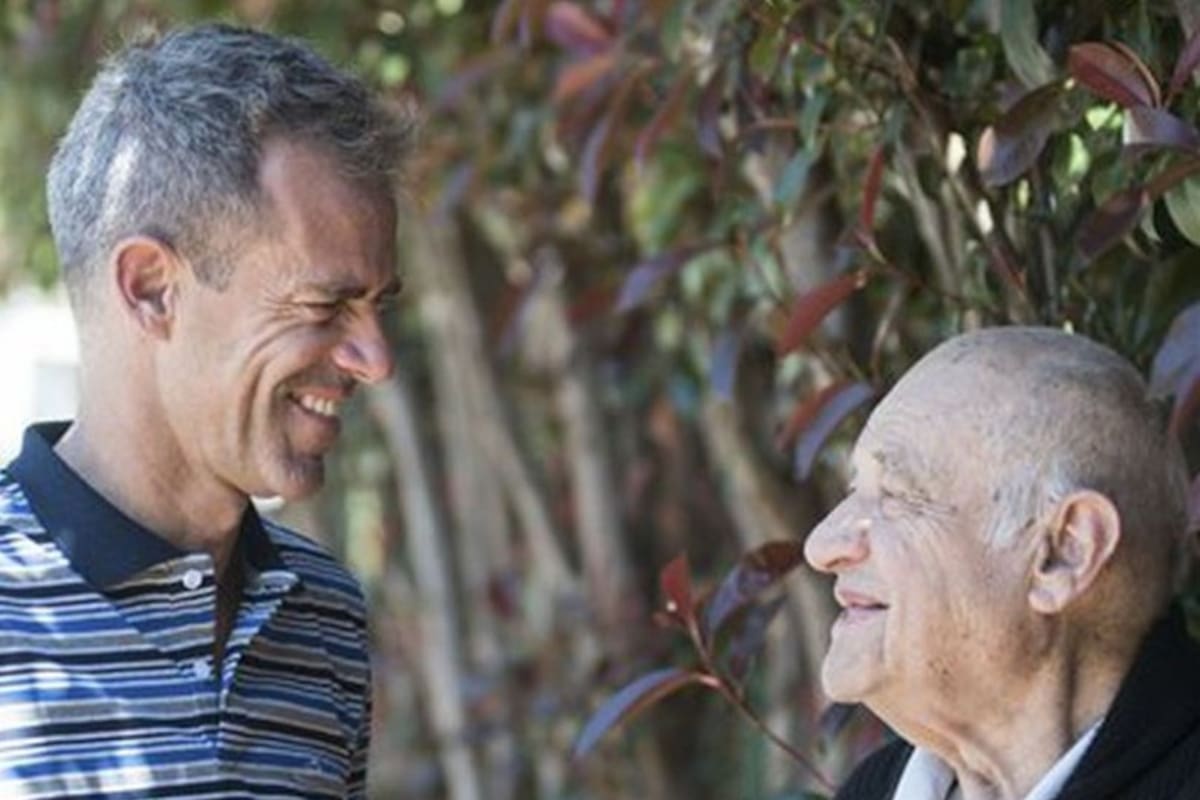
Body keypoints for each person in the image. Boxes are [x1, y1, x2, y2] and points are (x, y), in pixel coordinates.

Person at [0, 23, 410, 798]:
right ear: (153, 288)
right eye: (326, 303)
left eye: (377, 306)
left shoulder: (326, 617)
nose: (376, 360)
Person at [804, 327, 1200, 800]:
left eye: (896, 495)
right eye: (855, 491)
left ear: (1063, 553)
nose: (821, 546)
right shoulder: (875, 789)